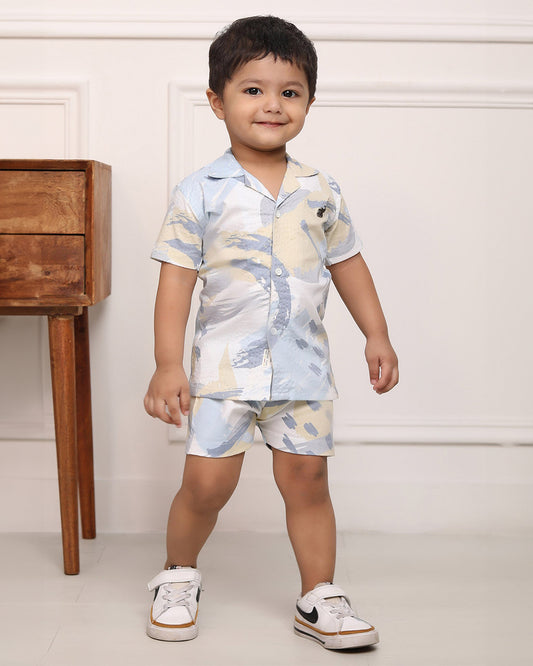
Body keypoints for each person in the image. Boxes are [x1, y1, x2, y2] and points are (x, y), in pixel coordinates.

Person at [144, 15, 398, 650]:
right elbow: (176, 282)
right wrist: (167, 364)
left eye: (290, 91)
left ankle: (319, 596)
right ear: (217, 101)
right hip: (224, 371)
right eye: (253, 90)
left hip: (303, 368)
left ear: (309, 101)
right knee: (207, 485)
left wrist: (377, 334)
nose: (272, 104)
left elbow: (349, 264)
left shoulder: (320, 190)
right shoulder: (199, 192)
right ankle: (176, 576)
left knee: (308, 482)